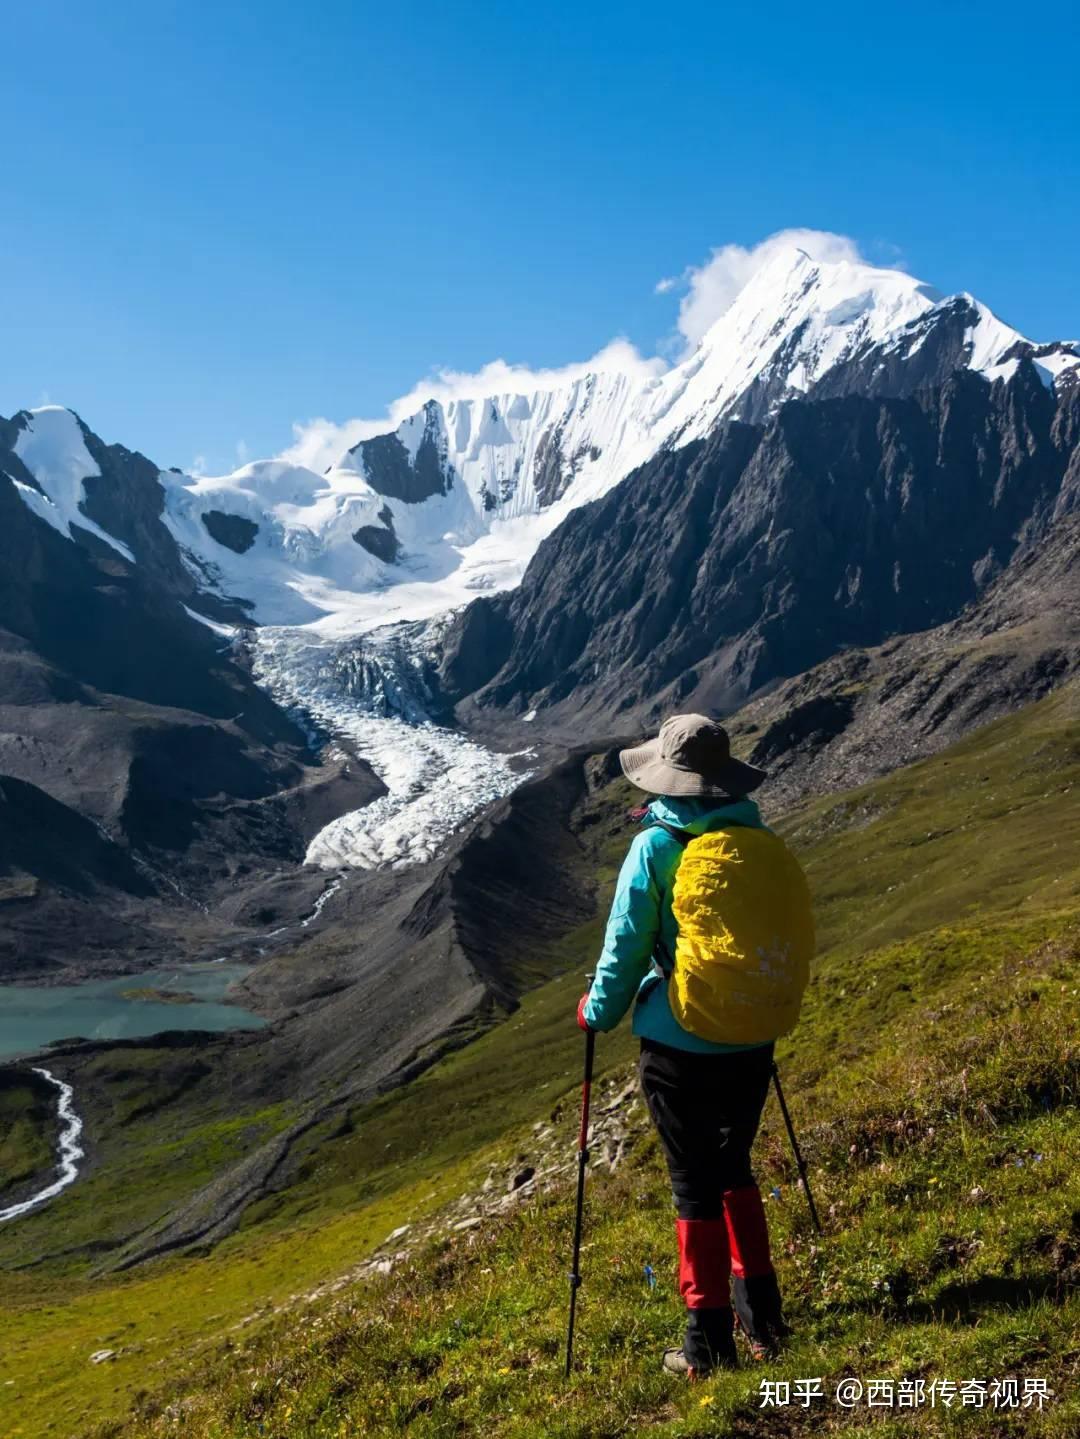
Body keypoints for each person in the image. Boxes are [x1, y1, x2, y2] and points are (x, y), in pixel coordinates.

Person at [576, 713, 807, 1377]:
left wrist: (597, 1013)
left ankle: (706, 1344)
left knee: (693, 1186)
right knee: (734, 1167)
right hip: (752, 1037)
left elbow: (623, 948)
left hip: (679, 1046)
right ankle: (764, 1321)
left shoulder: (657, 846)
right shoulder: (752, 836)